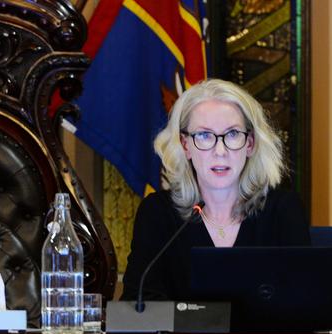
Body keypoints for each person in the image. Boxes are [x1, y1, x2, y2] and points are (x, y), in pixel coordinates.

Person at [121, 79, 310, 301]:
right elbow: (139, 304)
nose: (220, 151)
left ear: (250, 144)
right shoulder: (158, 213)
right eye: (204, 135)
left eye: (232, 134)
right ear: (185, 145)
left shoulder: (283, 210)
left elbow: (304, 304)